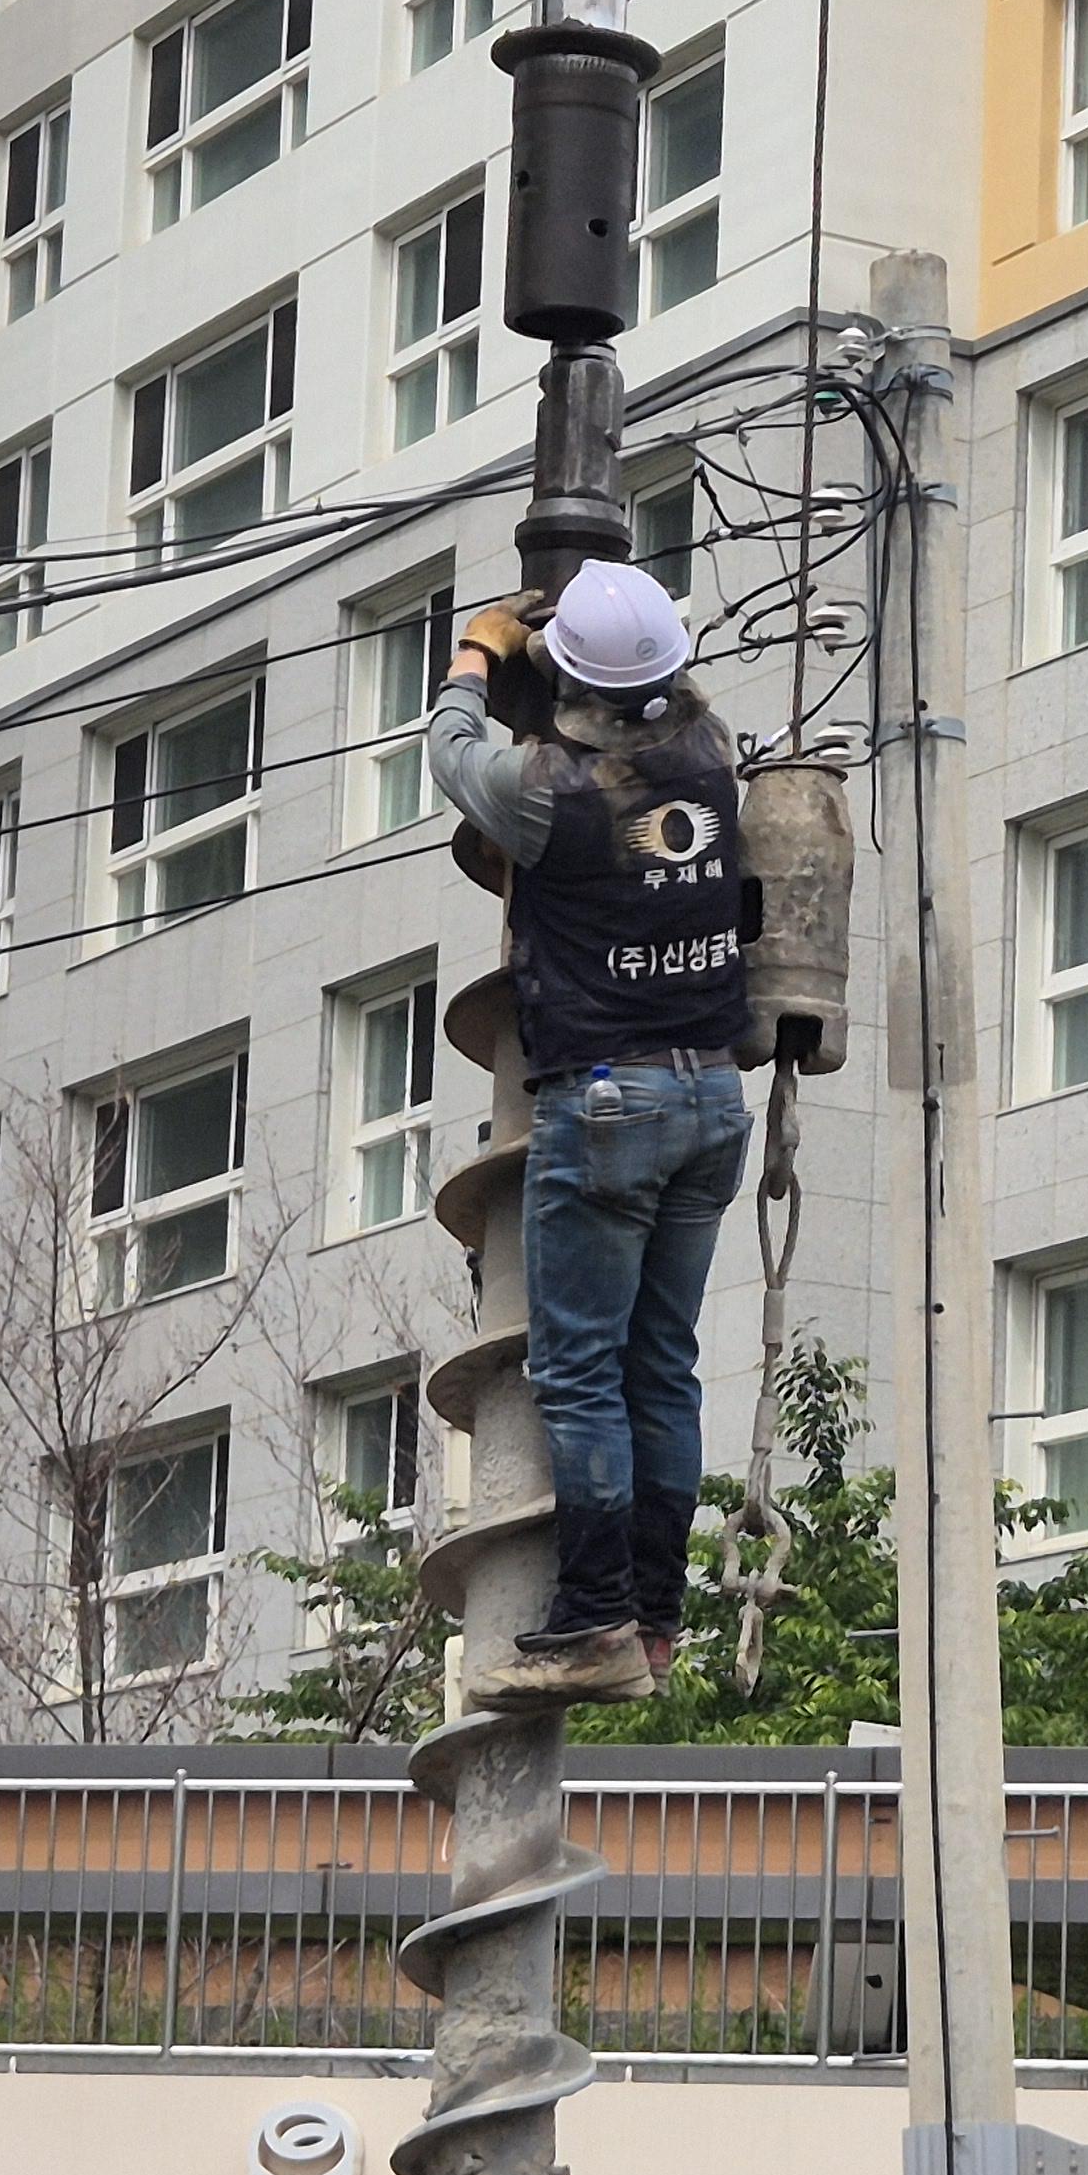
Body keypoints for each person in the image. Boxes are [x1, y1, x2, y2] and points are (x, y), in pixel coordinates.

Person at [426, 558, 754, 1703]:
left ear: (569, 680)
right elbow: (669, 693)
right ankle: (656, 1618)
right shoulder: (710, 755)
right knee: (663, 1366)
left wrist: (479, 652)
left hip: (609, 1105)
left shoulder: (544, 793)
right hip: (712, 1099)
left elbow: (451, 754)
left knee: (577, 1374)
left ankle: (593, 1618)